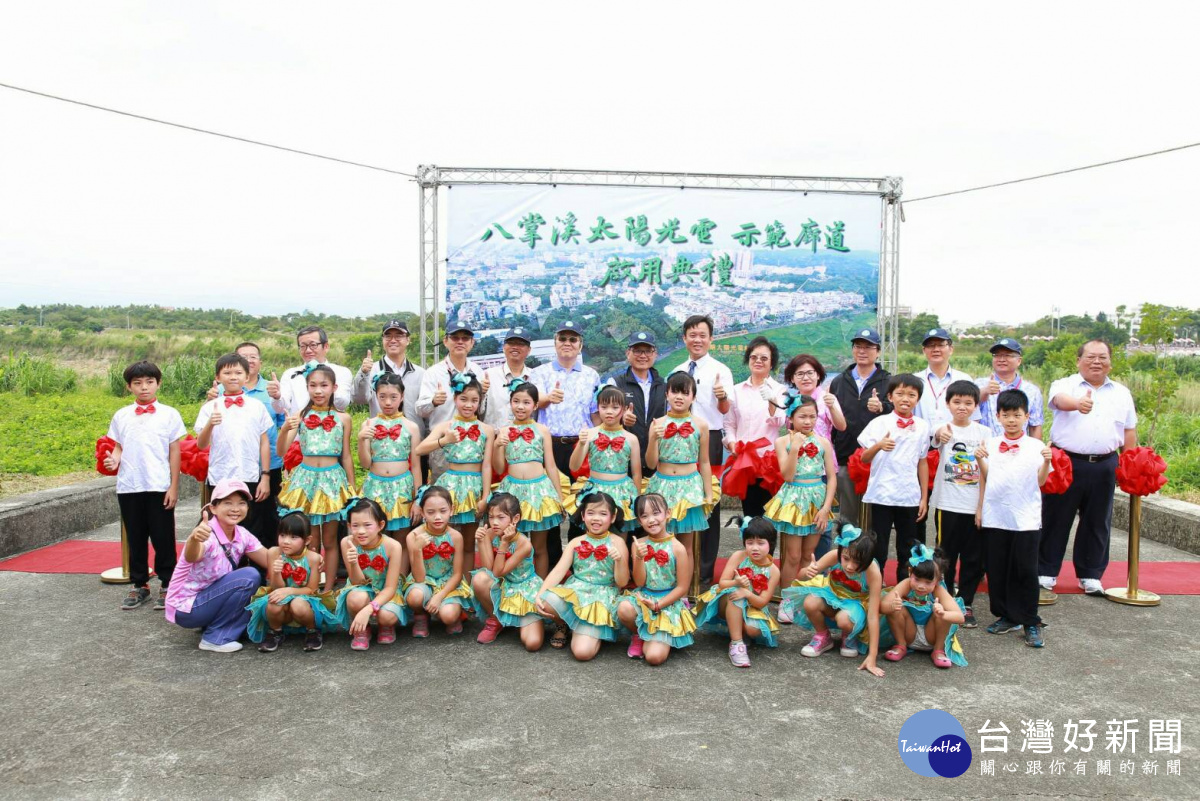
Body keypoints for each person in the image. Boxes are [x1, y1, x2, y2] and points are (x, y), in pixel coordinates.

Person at [1039, 339, 1137, 598]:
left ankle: (1090, 574)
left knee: (1098, 521)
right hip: (1067, 462)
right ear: (1079, 360)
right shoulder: (1065, 384)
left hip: (1105, 463)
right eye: (1091, 357)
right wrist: (1078, 404)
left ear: (1110, 362)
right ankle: (1046, 571)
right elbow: (1059, 401)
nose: (1097, 362)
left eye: (1102, 357)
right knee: (1055, 518)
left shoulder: (1121, 392)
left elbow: (1129, 431)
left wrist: (1130, 464)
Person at [105, 360, 185, 612]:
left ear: (158, 383)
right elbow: (118, 446)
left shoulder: (169, 414)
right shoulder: (121, 415)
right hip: (129, 485)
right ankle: (139, 584)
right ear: (129, 387)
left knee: (163, 537)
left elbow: (175, 451)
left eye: (149, 382)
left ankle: (167, 583)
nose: (144, 388)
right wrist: (113, 460)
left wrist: (174, 486)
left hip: (159, 484)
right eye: (137, 383)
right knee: (136, 537)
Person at [978, 389, 1054, 647]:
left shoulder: (1036, 447)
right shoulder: (990, 443)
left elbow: (1041, 481)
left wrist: (1045, 462)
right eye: (1006, 415)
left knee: (1026, 570)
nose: (1011, 420)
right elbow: (988, 478)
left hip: (1025, 518)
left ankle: (1031, 620)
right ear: (998, 416)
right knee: (997, 569)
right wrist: (979, 461)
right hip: (996, 515)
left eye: (1017, 415)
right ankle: (1007, 616)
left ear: (1027, 416)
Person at [164, 480, 271, 652]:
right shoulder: (206, 533)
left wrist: (303, 558)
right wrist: (193, 539)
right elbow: (193, 555)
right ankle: (216, 638)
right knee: (249, 576)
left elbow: (269, 560)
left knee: (256, 605)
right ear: (213, 508)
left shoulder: (242, 534)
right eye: (228, 503)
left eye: (241, 503)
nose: (235, 508)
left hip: (208, 599)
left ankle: (215, 627)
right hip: (186, 607)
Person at [275, 364, 356, 593]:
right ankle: (309, 588)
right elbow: (282, 451)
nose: (318, 391)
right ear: (307, 387)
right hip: (305, 481)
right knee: (310, 539)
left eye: (324, 385)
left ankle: (328, 590)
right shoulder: (300, 416)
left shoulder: (344, 418)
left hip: (332, 481)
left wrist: (352, 488)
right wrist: (283, 430)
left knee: (330, 541)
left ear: (334, 387)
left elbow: (346, 455)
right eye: (313, 386)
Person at [530, 319, 601, 567]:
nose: (567, 343)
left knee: (582, 506)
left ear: (580, 345)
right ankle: (551, 564)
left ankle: (578, 563)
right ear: (555, 343)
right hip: (549, 447)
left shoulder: (591, 375)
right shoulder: (539, 373)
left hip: (581, 447)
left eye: (573, 339)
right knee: (549, 507)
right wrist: (548, 398)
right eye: (563, 339)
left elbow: (595, 414)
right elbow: (530, 402)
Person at [668, 315, 733, 586]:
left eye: (702, 335)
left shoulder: (721, 370)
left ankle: (704, 573)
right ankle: (675, 569)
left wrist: (721, 396)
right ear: (684, 338)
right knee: (680, 504)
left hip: (711, 438)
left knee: (708, 503)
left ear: (711, 339)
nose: (697, 339)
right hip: (680, 439)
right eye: (692, 334)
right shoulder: (676, 370)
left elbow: (726, 410)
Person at [205, 342, 287, 545]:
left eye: (253, 357)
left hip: (261, 468)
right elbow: (204, 440)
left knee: (263, 519)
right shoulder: (216, 397)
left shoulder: (269, 391)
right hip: (224, 471)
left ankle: (263, 566)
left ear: (259, 362)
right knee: (224, 520)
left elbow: (277, 429)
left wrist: (266, 474)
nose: (234, 376)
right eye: (243, 356)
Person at [765, 394, 837, 621]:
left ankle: (804, 598)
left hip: (817, 501)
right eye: (802, 416)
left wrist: (826, 508)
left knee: (808, 554)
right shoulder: (782, 442)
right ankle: (787, 600)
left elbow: (832, 478)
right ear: (791, 418)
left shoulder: (824, 442)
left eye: (812, 417)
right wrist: (795, 447)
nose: (808, 421)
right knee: (793, 556)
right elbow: (787, 475)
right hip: (794, 500)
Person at [536, 491, 630, 660]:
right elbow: (558, 571)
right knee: (545, 600)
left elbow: (622, 582)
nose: (596, 518)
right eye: (591, 513)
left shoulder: (618, 542)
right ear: (583, 515)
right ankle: (563, 624)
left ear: (613, 517)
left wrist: (619, 561)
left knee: (582, 653)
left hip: (600, 599)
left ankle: (591, 631)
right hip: (576, 593)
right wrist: (539, 594)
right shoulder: (576, 542)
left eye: (603, 514)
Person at [782, 526, 885, 677]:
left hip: (856, 605)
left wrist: (872, 657)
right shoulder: (833, 555)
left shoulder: (872, 571)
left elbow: (873, 615)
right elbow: (801, 576)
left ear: (867, 559)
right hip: (832, 597)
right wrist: (807, 571)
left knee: (844, 619)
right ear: (841, 551)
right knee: (810, 602)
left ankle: (849, 636)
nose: (850, 566)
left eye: (857, 562)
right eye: (846, 559)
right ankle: (823, 636)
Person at [858, 374, 931, 582]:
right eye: (899, 393)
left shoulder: (923, 426)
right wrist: (879, 445)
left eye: (911, 394)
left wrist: (924, 497)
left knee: (908, 546)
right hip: (882, 494)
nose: (905, 398)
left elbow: (922, 462)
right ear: (890, 396)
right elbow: (864, 458)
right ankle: (875, 587)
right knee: (879, 545)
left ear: (918, 399)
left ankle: (905, 587)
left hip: (909, 495)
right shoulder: (880, 423)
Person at [929, 380, 990, 628]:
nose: (962, 407)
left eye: (968, 403)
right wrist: (939, 435)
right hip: (947, 505)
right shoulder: (942, 429)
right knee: (945, 555)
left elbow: (987, 472)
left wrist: (981, 507)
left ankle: (966, 603)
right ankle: (945, 599)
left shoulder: (984, 433)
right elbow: (934, 438)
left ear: (976, 405)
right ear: (948, 404)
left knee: (974, 558)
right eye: (957, 402)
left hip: (974, 506)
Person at [415, 373, 492, 569]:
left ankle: (465, 583)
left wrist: (485, 495)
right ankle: (442, 577)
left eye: (474, 400)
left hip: (474, 487)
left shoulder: (486, 429)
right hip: (450, 486)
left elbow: (487, 465)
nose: (468, 405)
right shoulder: (445, 426)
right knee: (444, 536)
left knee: (468, 542)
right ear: (455, 399)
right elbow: (419, 449)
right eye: (463, 399)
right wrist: (444, 441)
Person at [645, 372, 718, 579]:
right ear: (666, 394)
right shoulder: (657, 423)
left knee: (686, 545)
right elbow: (650, 463)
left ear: (693, 397)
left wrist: (708, 493)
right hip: (662, 487)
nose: (679, 397)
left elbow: (704, 461)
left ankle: (684, 591)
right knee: (660, 540)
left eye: (685, 393)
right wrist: (652, 438)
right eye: (675, 391)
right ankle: (660, 585)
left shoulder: (701, 425)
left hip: (689, 488)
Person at [493, 381, 564, 577]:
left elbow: (550, 464)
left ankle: (538, 587)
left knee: (539, 547)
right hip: (513, 493)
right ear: (510, 403)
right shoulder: (504, 431)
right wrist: (497, 445)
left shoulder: (542, 430)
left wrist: (559, 497)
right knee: (515, 543)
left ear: (535, 406)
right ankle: (517, 585)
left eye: (526, 402)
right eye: (516, 401)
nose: (520, 406)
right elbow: (499, 468)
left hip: (539, 493)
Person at [617, 493, 696, 665]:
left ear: (668, 513)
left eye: (656, 513)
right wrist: (638, 558)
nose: (651, 520)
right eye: (644, 516)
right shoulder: (638, 544)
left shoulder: (678, 548)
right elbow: (639, 583)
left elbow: (682, 587)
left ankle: (660, 635)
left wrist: (658, 605)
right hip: (645, 595)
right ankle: (638, 634)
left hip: (667, 602)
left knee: (654, 657)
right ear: (639, 521)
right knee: (624, 608)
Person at [692, 516, 780, 668]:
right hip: (727, 601)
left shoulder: (773, 571)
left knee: (753, 630)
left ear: (770, 544)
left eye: (760, 543)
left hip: (753, 605)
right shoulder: (739, 556)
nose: (754, 547)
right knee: (736, 593)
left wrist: (748, 594)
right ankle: (736, 644)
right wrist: (736, 583)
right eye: (750, 542)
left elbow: (762, 602)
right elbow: (723, 583)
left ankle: (740, 631)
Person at [827, 328, 892, 533]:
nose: (862, 351)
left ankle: (871, 561)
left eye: (868, 347)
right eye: (858, 346)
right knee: (847, 518)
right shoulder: (839, 381)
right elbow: (832, 420)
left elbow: (898, 413)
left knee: (875, 519)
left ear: (878, 351)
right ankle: (846, 560)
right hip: (846, 456)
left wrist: (882, 407)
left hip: (877, 460)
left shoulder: (888, 381)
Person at [722, 336, 786, 518]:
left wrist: (772, 400)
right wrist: (732, 443)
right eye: (754, 357)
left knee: (768, 516)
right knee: (749, 514)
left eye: (764, 358)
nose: (758, 361)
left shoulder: (779, 390)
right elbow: (729, 423)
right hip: (743, 460)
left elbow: (779, 421)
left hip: (768, 462)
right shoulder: (736, 390)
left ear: (771, 362)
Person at [245, 512, 328, 653]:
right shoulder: (273, 553)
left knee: (298, 604)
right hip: (281, 596)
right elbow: (276, 588)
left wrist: (290, 591)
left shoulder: (312, 558)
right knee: (273, 603)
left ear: (307, 540)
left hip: (304, 599)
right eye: (282, 535)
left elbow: (312, 590)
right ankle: (276, 631)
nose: (286, 541)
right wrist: (276, 573)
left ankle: (312, 630)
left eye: (293, 537)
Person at [470, 492, 544, 650]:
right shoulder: (490, 534)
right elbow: (490, 570)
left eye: (500, 517)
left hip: (524, 590)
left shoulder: (524, 544)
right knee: (480, 579)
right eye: (491, 517)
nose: (494, 522)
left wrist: (503, 545)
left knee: (532, 643)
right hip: (504, 585)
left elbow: (498, 572)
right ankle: (496, 619)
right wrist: (481, 541)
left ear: (515, 519)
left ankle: (521, 619)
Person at [566, 385, 642, 539]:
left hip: (623, 493)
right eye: (604, 406)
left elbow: (636, 473)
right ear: (598, 407)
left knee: (620, 539)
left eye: (615, 407)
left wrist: (637, 500)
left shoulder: (631, 439)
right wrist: (581, 444)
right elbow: (573, 466)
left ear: (625, 408)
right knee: (593, 537)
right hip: (595, 491)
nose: (609, 411)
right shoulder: (590, 434)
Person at [335, 498, 410, 650]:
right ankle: (362, 629)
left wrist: (369, 609)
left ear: (380, 525)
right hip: (362, 587)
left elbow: (390, 588)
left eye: (367, 525)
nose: (361, 531)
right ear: (349, 526)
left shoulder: (393, 546)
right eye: (355, 526)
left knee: (386, 616)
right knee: (356, 599)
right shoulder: (347, 543)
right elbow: (357, 582)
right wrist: (354, 562)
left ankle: (385, 626)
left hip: (386, 590)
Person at [416, 322, 486, 482]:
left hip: (472, 443)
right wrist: (433, 401)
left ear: (472, 343)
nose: (460, 342)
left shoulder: (478, 371)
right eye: (455, 338)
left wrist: (484, 395)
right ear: (446, 341)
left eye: (465, 338)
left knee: (470, 490)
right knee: (442, 494)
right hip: (442, 443)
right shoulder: (433, 373)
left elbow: (481, 412)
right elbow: (420, 410)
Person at [357, 372, 423, 536]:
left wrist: (418, 500)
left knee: (402, 538)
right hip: (375, 487)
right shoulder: (368, 424)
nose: (387, 402)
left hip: (403, 488)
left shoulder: (411, 427)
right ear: (376, 396)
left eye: (393, 397)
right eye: (382, 396)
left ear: (402, 396)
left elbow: (416, 466)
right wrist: (361, 439)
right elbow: (365, 464)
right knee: (376, 537)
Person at [880, 545, 967, 668]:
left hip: (931, 636)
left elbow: (960, 617)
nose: (921, 586)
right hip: (908, 634)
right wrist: (892, 606)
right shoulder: (906, 585)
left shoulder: (938, 590)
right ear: (910, 572)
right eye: (917, 579)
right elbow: (882, 606)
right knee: (896, 608)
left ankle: (938, 650)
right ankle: (901, 645)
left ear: (937, 580)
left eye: (928, 582)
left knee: (942, 613)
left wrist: (943, 613)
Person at [403, 486, 473, 637]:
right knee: (415, 597)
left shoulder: (455, 537)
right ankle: (421, 615)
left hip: (448, 582)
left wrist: (439, 596)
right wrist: (417, 550)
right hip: (423, 581)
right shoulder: (413, 536)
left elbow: (457, 574)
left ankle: (450, 613)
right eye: (430, 512)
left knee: (448, 616)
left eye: (443, 511)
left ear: (451, 510)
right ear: (422, 512)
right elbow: (419, 578)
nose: (437, 517)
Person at [607, 331, 666, 476]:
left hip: (657, 459)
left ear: (655, 354)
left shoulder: (664, 386)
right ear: (628, 353)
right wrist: (620, 418)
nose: (643, 356)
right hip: (623, 458)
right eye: (638, 351)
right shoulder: (615, 383)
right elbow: (603, 417)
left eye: (647, 351)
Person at [352, 319, 425, 432]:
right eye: (388, 336)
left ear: (408, 340)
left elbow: (424, 410)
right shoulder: (372, 370)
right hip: (381, 439)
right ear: (383, 340)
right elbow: (359, 399)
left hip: (413, 440)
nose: (393, 340)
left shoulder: (420, 373)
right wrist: (363, 373)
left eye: (398, 336)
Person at [273, 325, 353, 416]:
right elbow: (280, 409)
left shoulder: (341, 372)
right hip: (298, 427)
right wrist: (277, 396)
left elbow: (342, 404)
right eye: (303, 346)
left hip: (331, 427)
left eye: (313, 345)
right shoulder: (290, 374)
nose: (308, 350)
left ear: (326, 346)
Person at [976, 338, 1043, 439]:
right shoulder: (979, 384)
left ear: (1019, 360)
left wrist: (1036, 452)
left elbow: (1035, 426)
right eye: (997, 355)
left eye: (1007, 355)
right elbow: (968, 410)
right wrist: (984, 392)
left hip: (1019, 450)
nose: (1001, 359)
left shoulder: (1032, 390)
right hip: (985, 449)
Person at [913, 327, 976, 430]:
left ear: (951, 349)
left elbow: (973, 417)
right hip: (922, 442)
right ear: (924, 350)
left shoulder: (964, 379)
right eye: (931, 345)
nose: (936, 349)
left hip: (955, 441)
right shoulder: (915, 380)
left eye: (941, 345)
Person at [481, 327, 536, 429]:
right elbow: (478, 410)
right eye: (511, 343)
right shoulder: (488, 376)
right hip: (495, 440)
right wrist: (481, 393)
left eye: (521, 344)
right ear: (503, 347)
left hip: (527, 440)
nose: (515, 347)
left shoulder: (536, 376)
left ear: (529, 350)